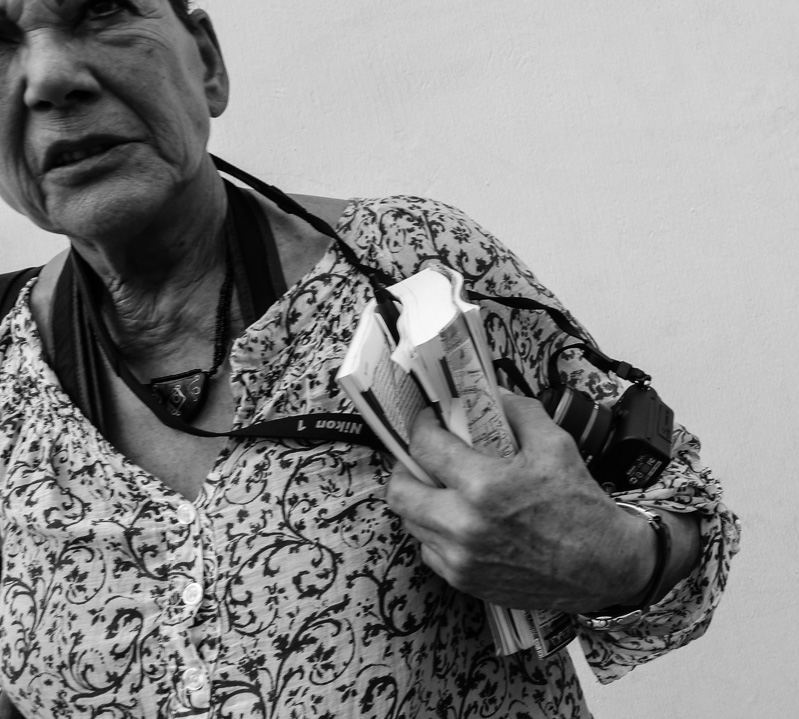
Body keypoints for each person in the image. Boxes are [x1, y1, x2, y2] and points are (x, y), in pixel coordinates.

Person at [0, 1, 740, 718]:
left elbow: (686, 512)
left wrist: (607, 556)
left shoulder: (410, 265)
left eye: (102, 9)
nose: (50, 77)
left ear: (208, 63)